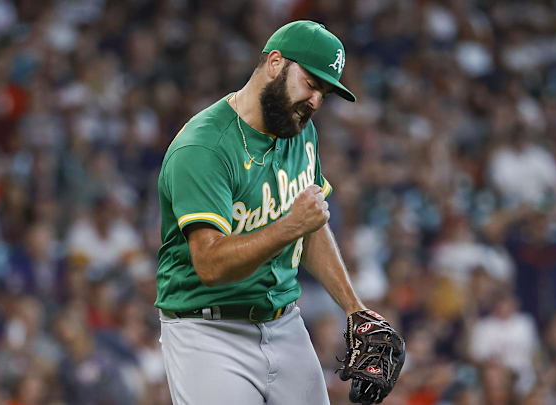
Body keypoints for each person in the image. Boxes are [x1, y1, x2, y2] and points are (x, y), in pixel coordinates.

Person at [155, 20, 403, 405]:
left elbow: (312, 224)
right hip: (207, 330)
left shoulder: (298, 128)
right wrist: (291, 226)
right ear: (275, 63)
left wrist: (355, 309)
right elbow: (211, 264)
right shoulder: (204, 147)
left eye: (325, 91)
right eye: (311, 83)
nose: (316, 101)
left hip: (285, 321)